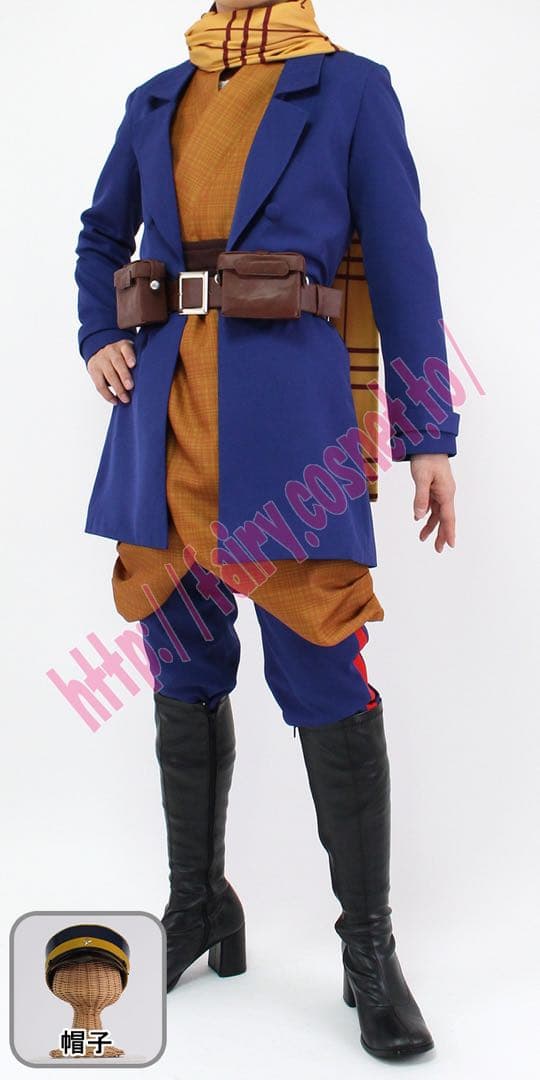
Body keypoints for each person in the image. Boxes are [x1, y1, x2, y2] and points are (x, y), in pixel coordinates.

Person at [75, 0, 460, 1060]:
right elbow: (101, 234)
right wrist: (100, 331)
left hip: (293, 431)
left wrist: (429, 435)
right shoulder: (158, 96)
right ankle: (199, 903)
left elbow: (404, 265)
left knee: (326, 674)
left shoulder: (350, 88)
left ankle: (368, 950)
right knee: (181, 670)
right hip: (165, 426)